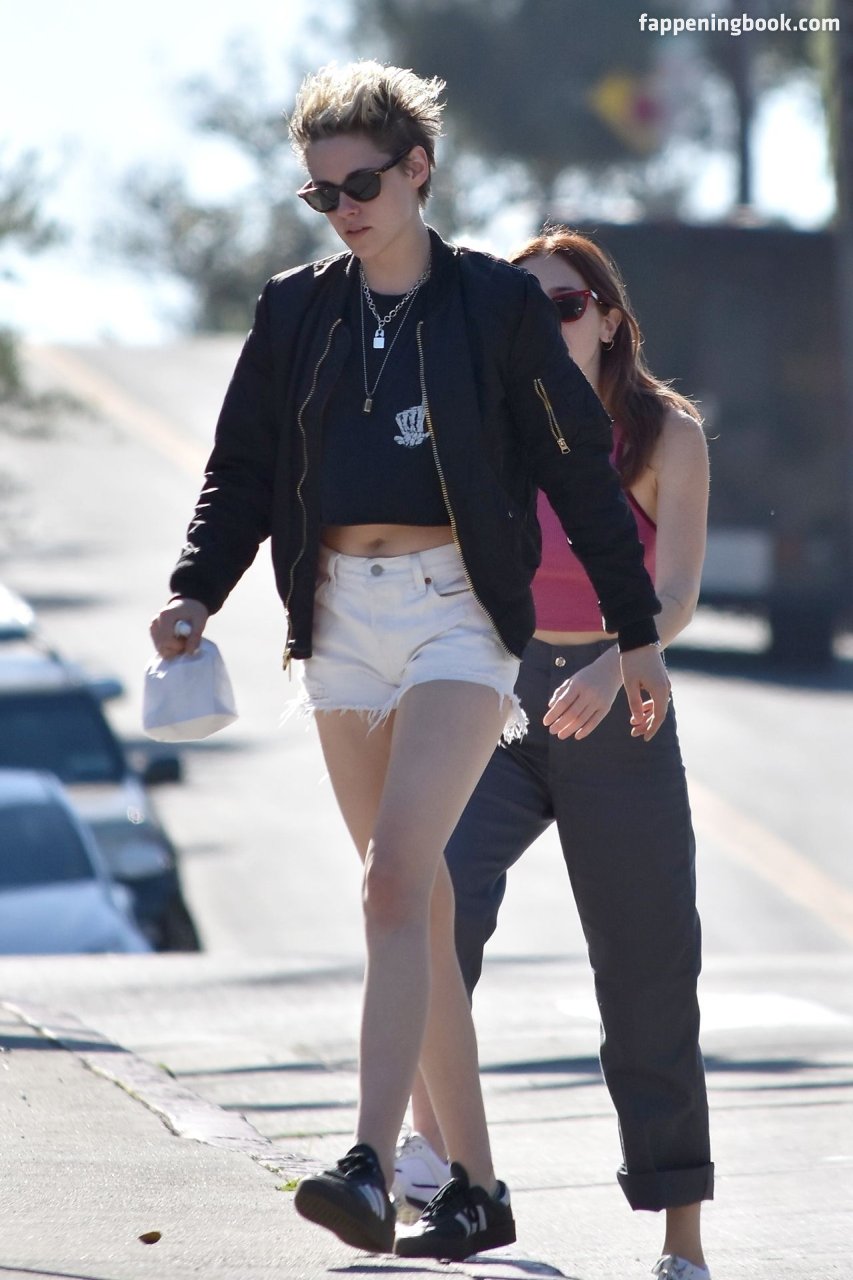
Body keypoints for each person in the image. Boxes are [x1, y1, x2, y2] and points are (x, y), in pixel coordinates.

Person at [149, 65, 669, 1263]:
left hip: (454, 614)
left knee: (392, 880)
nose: (344, 208)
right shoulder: (296, 310)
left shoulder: (493, 304)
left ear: (418, 170)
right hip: (338, 618)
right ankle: (477, 1189)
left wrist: (635, 634)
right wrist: (193, 591)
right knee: (418, 909)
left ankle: (371, 1163)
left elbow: (577, 467)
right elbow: (241, 468)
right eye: (321, 192)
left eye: (363, 184)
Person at [395, 228, 713, 1280]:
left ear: (609, 319)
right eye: (524, 308)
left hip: (620, 702)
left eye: (566, 305)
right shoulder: (496, 419)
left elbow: (674, 593)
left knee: (647, 970)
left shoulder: (663, 434)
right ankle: (442, 1165)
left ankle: (680, 1238)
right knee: (430, 897)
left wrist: (620, 663)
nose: (546, 323)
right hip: (496, 693)